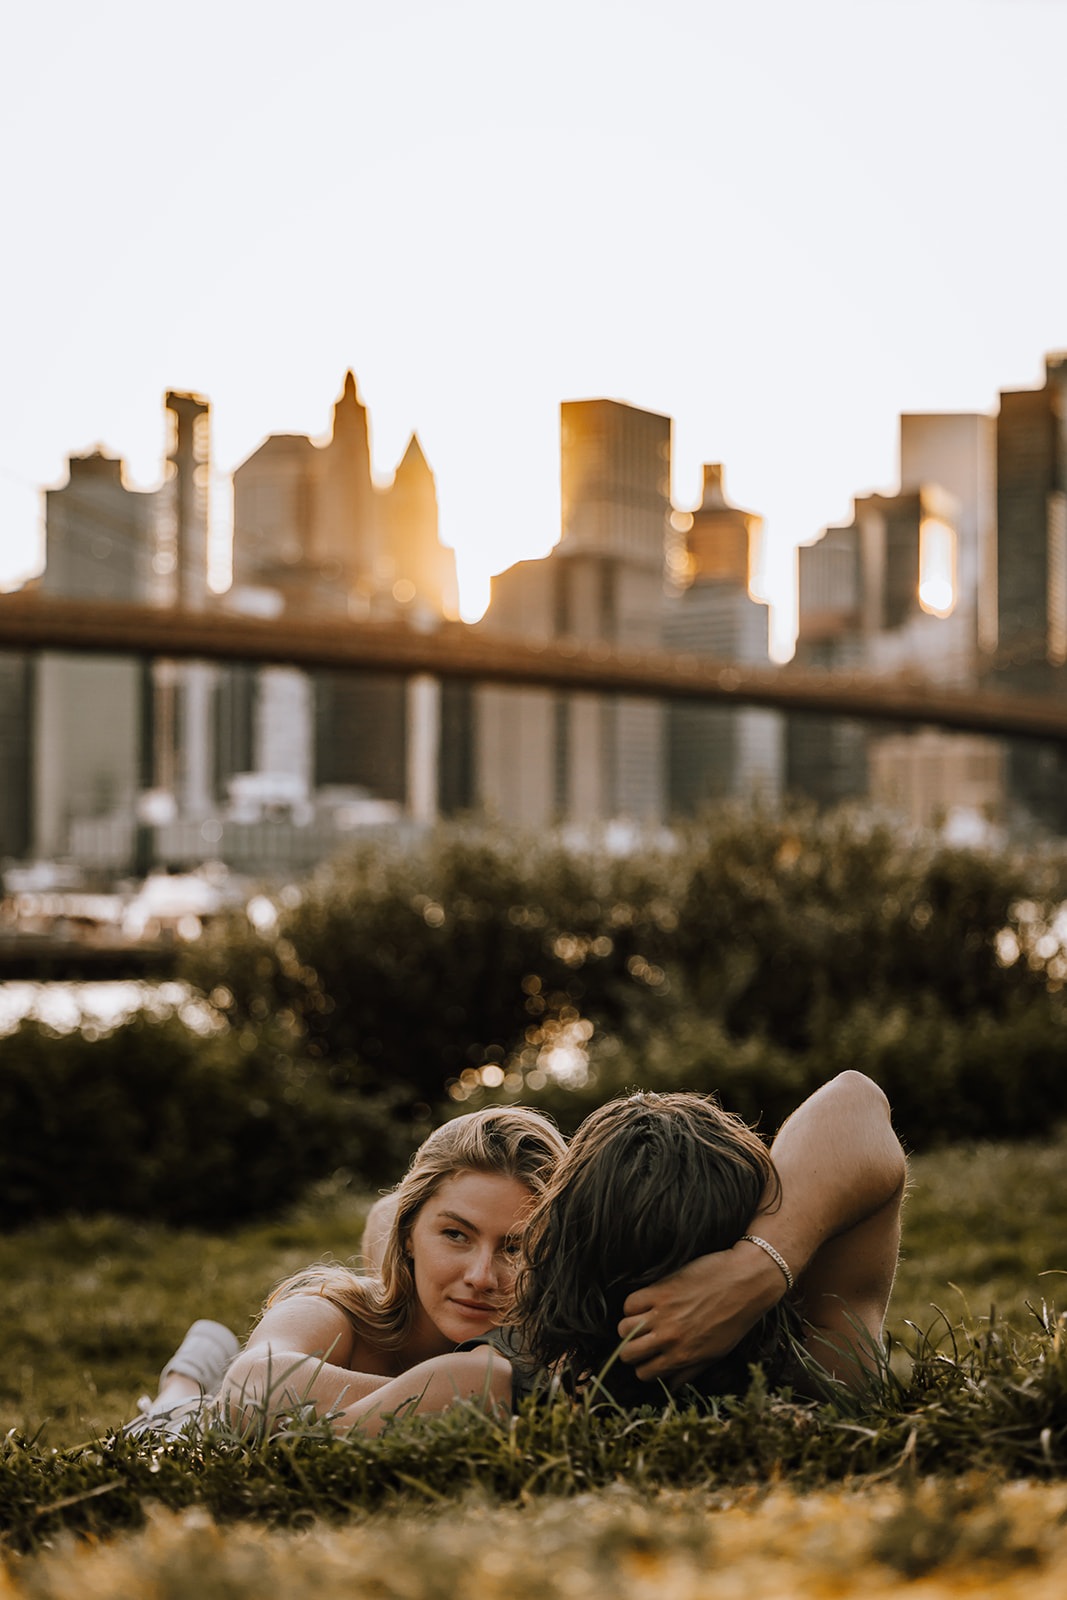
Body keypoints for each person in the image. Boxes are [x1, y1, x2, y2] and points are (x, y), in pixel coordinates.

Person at [129, 1105, 566, 1439]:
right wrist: (444, 1395)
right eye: (456, 1234)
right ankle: (189, 1373)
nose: (481, 1275)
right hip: (177, 1433)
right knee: (175, 1404)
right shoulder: (338, 1312)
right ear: (409, 1231)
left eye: (515, 1247)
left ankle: (200, 1359)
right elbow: (250, 1388)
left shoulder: (549, 1345)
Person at [515, 1070, 906, 1404]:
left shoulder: (525, 1383)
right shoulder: (822, 1372)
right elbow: (857, 1098)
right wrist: (761, 1264)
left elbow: (858, 1099)